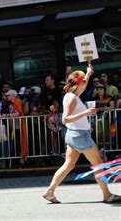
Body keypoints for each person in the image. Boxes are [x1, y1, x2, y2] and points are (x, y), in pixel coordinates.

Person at [43, 64, 121, 204]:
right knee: (98, 165)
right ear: (78, 84)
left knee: (68, 165)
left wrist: (88, 73)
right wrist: (85, 112)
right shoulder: (72, 98)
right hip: (80, 136)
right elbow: (64, 119)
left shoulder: (71, 95)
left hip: (73, 135)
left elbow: (82, 86)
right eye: (83, 82)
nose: (85, 84)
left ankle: (50, 191)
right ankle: (107, 195)